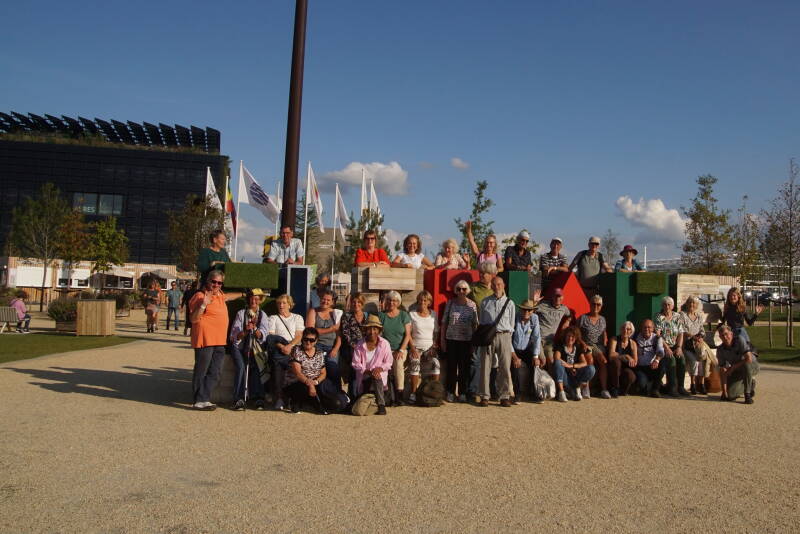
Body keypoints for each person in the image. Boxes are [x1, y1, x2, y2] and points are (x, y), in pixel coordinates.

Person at [188, 270, 229, 410]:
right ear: (208, 281)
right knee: (201, 371)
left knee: (215, 372)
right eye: (214, 281)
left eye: (219, 283)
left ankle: (204, 398)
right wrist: (203, 304)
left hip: (219, 341)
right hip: (205, 340)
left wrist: (243, 294)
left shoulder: (220, 295)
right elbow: (193, 319)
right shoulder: (199, 296)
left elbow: (229, 296)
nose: (216, 285)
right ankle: (198, 400)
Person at [478, 277, 516, 407]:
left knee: (505, 367)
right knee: (485, 366)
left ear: (503, 285)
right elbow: (482, 321)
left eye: (499, 284)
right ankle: (484, 396)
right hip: (488, 337)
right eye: (494, 284)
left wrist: (507, 337)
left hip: (504, 335)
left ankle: (504, 396)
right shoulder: (485, 302)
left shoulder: (510, 303)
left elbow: (511, 324)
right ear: (491, 286)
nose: (497, 287)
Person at [229, 289, 270, 410]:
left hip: (255, 348)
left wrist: (255, 328)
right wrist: (246, 330)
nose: (254, 301)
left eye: (257, 299)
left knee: (258, 367)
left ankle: (258, 397)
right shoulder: (241, 313)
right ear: (248, 299)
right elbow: (235, 336)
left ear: (260, 301)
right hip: (240, 347)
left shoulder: (263, 315)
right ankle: (238, 398)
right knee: (241, 368)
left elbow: (263, 335)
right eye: (252, 298)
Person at [441, 280, 478, 402]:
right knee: (451, 367)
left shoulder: (472, 305)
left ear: (468, 291)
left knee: (464, 368)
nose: (461, 291)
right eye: (459, 289)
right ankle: (450, 392)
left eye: (464, 289)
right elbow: (444, 322)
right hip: (452, 339)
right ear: (456, 291)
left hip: (466, 340)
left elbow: (475, 324)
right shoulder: (450, 303)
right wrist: (442, 340)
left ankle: (462, 392)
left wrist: (474, 343)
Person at [267, 294, 305, 411]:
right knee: (277, 369)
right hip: (279, 347)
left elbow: (299, 335)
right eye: (279, 303)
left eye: (284, 303)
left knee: (294, 371)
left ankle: (291, 398)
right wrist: (282, 347)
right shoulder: (273, 318)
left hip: (293, 347)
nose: (281, 305)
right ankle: (279, 398)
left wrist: (290, 346)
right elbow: (271, 336)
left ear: (289, 305)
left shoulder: (297, 317)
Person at [351, 315, 394, 415]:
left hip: (379, 378)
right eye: (369, 329)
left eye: (375, 329)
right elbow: (355, 364)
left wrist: (379, 369)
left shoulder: (385, 343)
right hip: (364, 377)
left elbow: (389, 362)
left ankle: (381, 405)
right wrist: (368, 371)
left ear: (379, 330)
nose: (372, 332)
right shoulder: (359, 345)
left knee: (376, 376)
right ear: (365, 330)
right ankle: (372, 402)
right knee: (360, 407)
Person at [469, 261, 499, 400]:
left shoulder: (496, 289)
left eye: (485, 273)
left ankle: (492, 390)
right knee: (476, 361)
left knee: (493, 362)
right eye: (480, 272)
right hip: (478, 330)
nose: (481, 275)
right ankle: (473, 391)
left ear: (492, 274)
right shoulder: (473, 288)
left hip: (493, 331)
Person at [283, 327, 331, 414]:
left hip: (315, 382)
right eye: (306, 339)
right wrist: (310, 384)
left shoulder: (319, 353)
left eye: (311, 340)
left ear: (316, 341)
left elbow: (323, 373)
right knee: (303, 388)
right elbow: (298, 373)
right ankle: (295, 402)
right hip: (298, 382)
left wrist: (316, 382)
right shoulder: (296, 350)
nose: (308, 342)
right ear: (302, 339)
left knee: (331, 396)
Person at [379, 291, 412, 405]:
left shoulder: (404, 315)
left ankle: (399, 394)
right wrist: (385, 351)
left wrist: (401, 350)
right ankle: (387, 395)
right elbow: (379, 335)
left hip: (400, 349)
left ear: (398, 302)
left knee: (398, 363)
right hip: (385, 349)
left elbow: (407, 335)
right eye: (389, 300)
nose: (391, 302)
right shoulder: (381, 315)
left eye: (394, 300)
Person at [306, 289, 343, 391]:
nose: (325, 301)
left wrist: (336, 349)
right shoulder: (313, 311)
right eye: (323, 299)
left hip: (332, 346)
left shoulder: (336, 314)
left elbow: (339, 335)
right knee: (316, 372)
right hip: (316, 346)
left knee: (333, 370)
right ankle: (317, 394)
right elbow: (310, 331)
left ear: (332, 302)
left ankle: (337, 394)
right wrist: (331, 329)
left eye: (328, 300)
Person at [408, 290, 439, 403]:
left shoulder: (434, 314)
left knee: (436, 364)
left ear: (429, 302)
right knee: (415, 365)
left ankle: (434, 392)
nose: (422, 302)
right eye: (420, 300)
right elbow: (408, 334)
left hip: (430, 347)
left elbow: (436, 332)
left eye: (425, 300)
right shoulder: (412, 314)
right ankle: (413, 393)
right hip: (416, 347)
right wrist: (412, 348)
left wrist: (434, 346)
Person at [680, 296, 715, 395]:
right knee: (694, 361)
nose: (692, 305)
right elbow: (682, 330)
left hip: (698, 345)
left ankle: (702, 384)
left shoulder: (699, 316)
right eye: (690, 302)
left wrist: (700, 337)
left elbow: (702, 330)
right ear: (687, 304)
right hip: (687, 345)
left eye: (694, 303)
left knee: (703, 359)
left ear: (696, 305)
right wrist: (693, 337)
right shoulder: (683, 315)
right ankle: (693, 384)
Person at [511, 299, 543, 403]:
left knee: (535, 365)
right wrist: (514, 356)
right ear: (521, 309)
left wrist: (535, 356)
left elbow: (537, 337)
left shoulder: (535, 318)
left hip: (527, 348)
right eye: (524, 309)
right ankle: (517, 394)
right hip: (514, 349)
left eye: (529, 310)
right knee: (514, 368)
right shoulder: (514, 317)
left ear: (533, 311)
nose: (527, 312)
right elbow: (509, 338)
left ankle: (534, 393)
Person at [338, 293, 370, 398]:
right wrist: (356, 347)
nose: (356, 304)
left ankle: (363, 395)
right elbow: (346, 333)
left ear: (362, 303)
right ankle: (353, 396)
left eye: (359, 302)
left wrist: (366, 347)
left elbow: (370, 333)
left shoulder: (367, 316)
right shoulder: (346, 316)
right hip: (351, 348)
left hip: (366, 348)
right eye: (354, 302)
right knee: (354, 369)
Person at [716, 325, 758, 404]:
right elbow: (723, 370)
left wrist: (733, 367)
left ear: (731, 334)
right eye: (722, 335)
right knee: (731, 395)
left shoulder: (739, 340)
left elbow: (748, 359)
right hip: (737, 369)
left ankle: (747, 394)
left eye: (726, 334)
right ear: (720, 337)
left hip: (752, 366)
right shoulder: (720, 349)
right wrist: (724, 392)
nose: (725, 337)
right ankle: (750, 383)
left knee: (746, 365)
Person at [552, 326, 595, 402]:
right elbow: (557, 357)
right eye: (568, 336)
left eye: (573, 336)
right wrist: (568, 367)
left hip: (576, 375)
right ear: (565, 336)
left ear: (576, 338)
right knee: (558, 363)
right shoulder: (561, 346)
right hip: (565, 376)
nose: (570, 338)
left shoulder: (577, 347)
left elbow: (584, 363)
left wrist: (572, 366)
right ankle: (561, 392)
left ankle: (577, 389)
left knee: (591, 368)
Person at [655, 296, 687, 397]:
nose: (667, 306)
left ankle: (681, 387)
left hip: (675, 345)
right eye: (665, 304)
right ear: (662, 306)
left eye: (669, 304)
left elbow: (681, 333)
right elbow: (658, 334)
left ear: (672, 306)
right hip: (663, 346)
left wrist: (679, 347)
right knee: (671, 359)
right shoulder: (659, 317)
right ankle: (672, 388)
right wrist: (666, 348)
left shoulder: (677, 316)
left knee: (681, 358)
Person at [578, 294, 608, 398]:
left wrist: (605, 340)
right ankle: (586, 388)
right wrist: (582, 343)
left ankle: (604, 389)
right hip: (586, 344)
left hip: (598, 346)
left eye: (598, 304)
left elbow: (604, 332)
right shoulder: (583, 318)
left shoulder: (603, 319)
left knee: (603, 361)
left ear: (601, 306)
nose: (596, 306)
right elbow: (577, 334)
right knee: (590, 360)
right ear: (590, 305)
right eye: (593, 304)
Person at [536, 288, 572, 367]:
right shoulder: (543, 305)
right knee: (543, 360)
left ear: (562, 297)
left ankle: (550, 375)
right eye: (556, 296)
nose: (557, 298)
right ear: (552, 297)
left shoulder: (564, 309)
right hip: (538, 339)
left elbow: (570, 315)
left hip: (549, 341)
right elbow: (530, 311)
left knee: (551, 361)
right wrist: (534, 302)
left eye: (559, 296)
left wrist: (568, 321)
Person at [633, 319, 667, 397]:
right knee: (642, 385)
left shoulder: (657, 338)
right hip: (640, 367)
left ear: (653, 328)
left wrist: (657, 360)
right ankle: (653, 385)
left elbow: (661, 351)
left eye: (649, 327)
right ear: (641, 328)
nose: (647, 329)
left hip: (652, 366)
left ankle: (655, 389)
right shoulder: (635, 337)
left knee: (663, 363)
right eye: (644, 327)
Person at [607, 321, 638, 396]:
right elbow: (611, 355)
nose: (625, 330)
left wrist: (618, 355)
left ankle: (624, 391)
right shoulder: (614, 339)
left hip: (625, 368)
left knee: (631, 376)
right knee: (616, 362)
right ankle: (615, 388)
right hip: (614, 368)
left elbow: (635, 361)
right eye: (623, 328)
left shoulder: (633, 343)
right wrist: (626, 356)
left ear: (631, 332)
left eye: (628, 329)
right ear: (620, 329)